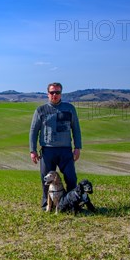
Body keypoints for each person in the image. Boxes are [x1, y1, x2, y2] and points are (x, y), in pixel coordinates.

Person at [29, 82, 82, 210]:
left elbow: (76, 129)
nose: (55, 95)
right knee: (46, 179)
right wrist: (33, 150)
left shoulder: (69, 108)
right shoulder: (40, 110)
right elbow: (33, 130)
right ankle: (47, 205)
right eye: (52, 92)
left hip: (65, 150)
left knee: (71, 178)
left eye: (57, 92)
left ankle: (71, 204)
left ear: (61, 94)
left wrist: (77, 147)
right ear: (48, 94)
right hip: (48, 151)